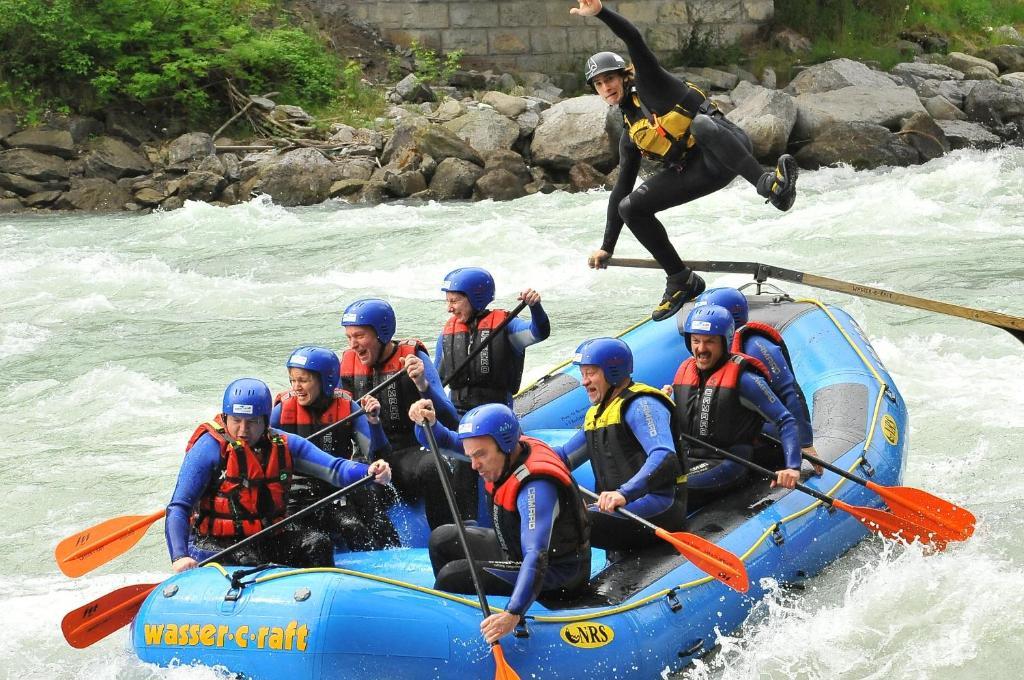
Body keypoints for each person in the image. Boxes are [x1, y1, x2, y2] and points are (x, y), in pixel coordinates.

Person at [572, 0, 799, 322]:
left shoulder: (653, 85)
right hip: (698, 171)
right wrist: (607, 246)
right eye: (599, 84)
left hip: (728, 148)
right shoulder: (629, 132)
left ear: (623, 77)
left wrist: (600, 13)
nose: (606, 87)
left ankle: (770, 185)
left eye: (610, 79)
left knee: (701, 124)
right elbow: (620, 189)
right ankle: (681, 280)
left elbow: (633, 39)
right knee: (630, 207)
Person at [408, 400, 591, 644]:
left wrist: (513, 613)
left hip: (556, 574)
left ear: (505, 445)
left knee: (453, 575)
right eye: (471, 455)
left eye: (481, 455)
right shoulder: (505, 449)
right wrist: (427, 424)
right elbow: (444, 441)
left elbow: (536, 555)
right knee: (442, 539)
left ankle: (469, 641)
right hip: (513, 549)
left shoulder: (535, 487)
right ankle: (463, 622)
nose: (474, 465)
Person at [165, 378, 392, 573]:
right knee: (250, 561)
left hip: (264, 537)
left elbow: (334, 469)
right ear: (225, 418)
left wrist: (369, 471)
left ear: (265, 421)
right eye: (236, 421)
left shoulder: (282, 444)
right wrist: (179, 556)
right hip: (214, 543)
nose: (243, 430)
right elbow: (179, 506)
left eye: (252, 422)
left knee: (318, 544)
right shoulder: (209, 448)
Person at [436, 266, 550, 520]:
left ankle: (500, 518)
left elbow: (538, 332)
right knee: (459, 455)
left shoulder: (506, 326)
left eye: (454, 301)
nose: (449, 308)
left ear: (475, 298)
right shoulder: (448, 332)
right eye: (448, 301)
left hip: (495, 416)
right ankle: (465, 522)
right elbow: (436, 381)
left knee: (473, 453)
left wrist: (535, 307)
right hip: (458, 415)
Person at [340, 297, 460, 529]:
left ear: (382, 333)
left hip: (412, 452)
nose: (353, 344)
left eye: (359, 336)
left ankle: (446, 536)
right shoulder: (346, 364)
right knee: (355, 486)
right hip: (372, 457)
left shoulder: (414, 358)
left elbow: (451, 420)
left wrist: (423, 384)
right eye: (349, 337)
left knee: (433, 467)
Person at [669, 305, 803, 508]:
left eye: (710, 342)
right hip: (689, 457)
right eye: (696, 341)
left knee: (666, 489)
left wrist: (792, 467)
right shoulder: (686, 371)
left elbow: (785, 420)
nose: (701, 349)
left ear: (725, 342)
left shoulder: (745, 380)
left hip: (727, 462)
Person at [271, 346, 400, 551]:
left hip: (334, 490)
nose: (296, 387)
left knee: (354, 528)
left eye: (303, 380)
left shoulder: (348, 407)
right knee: (310, 540)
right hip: (294, 496)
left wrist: (373, 422)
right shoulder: (280, 412)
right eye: (292, 380)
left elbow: (377, 454)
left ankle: (392, 557)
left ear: (326, 380)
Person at [570, 337, 687, 551]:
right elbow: (563, 456)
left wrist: (624, 493)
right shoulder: (596, 414)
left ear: (612, 371)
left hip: (660, 504)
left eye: (591, 373)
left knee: (572, 524)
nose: (584, 382)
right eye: (583, 374)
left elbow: (664, 455)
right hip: (621, 506)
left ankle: (565, 579)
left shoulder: (642, 405)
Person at [694, 288, 821, 473]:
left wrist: (805, 443)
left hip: (769, 427)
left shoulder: (756, 346)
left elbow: (789, 391)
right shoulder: (712, 348)